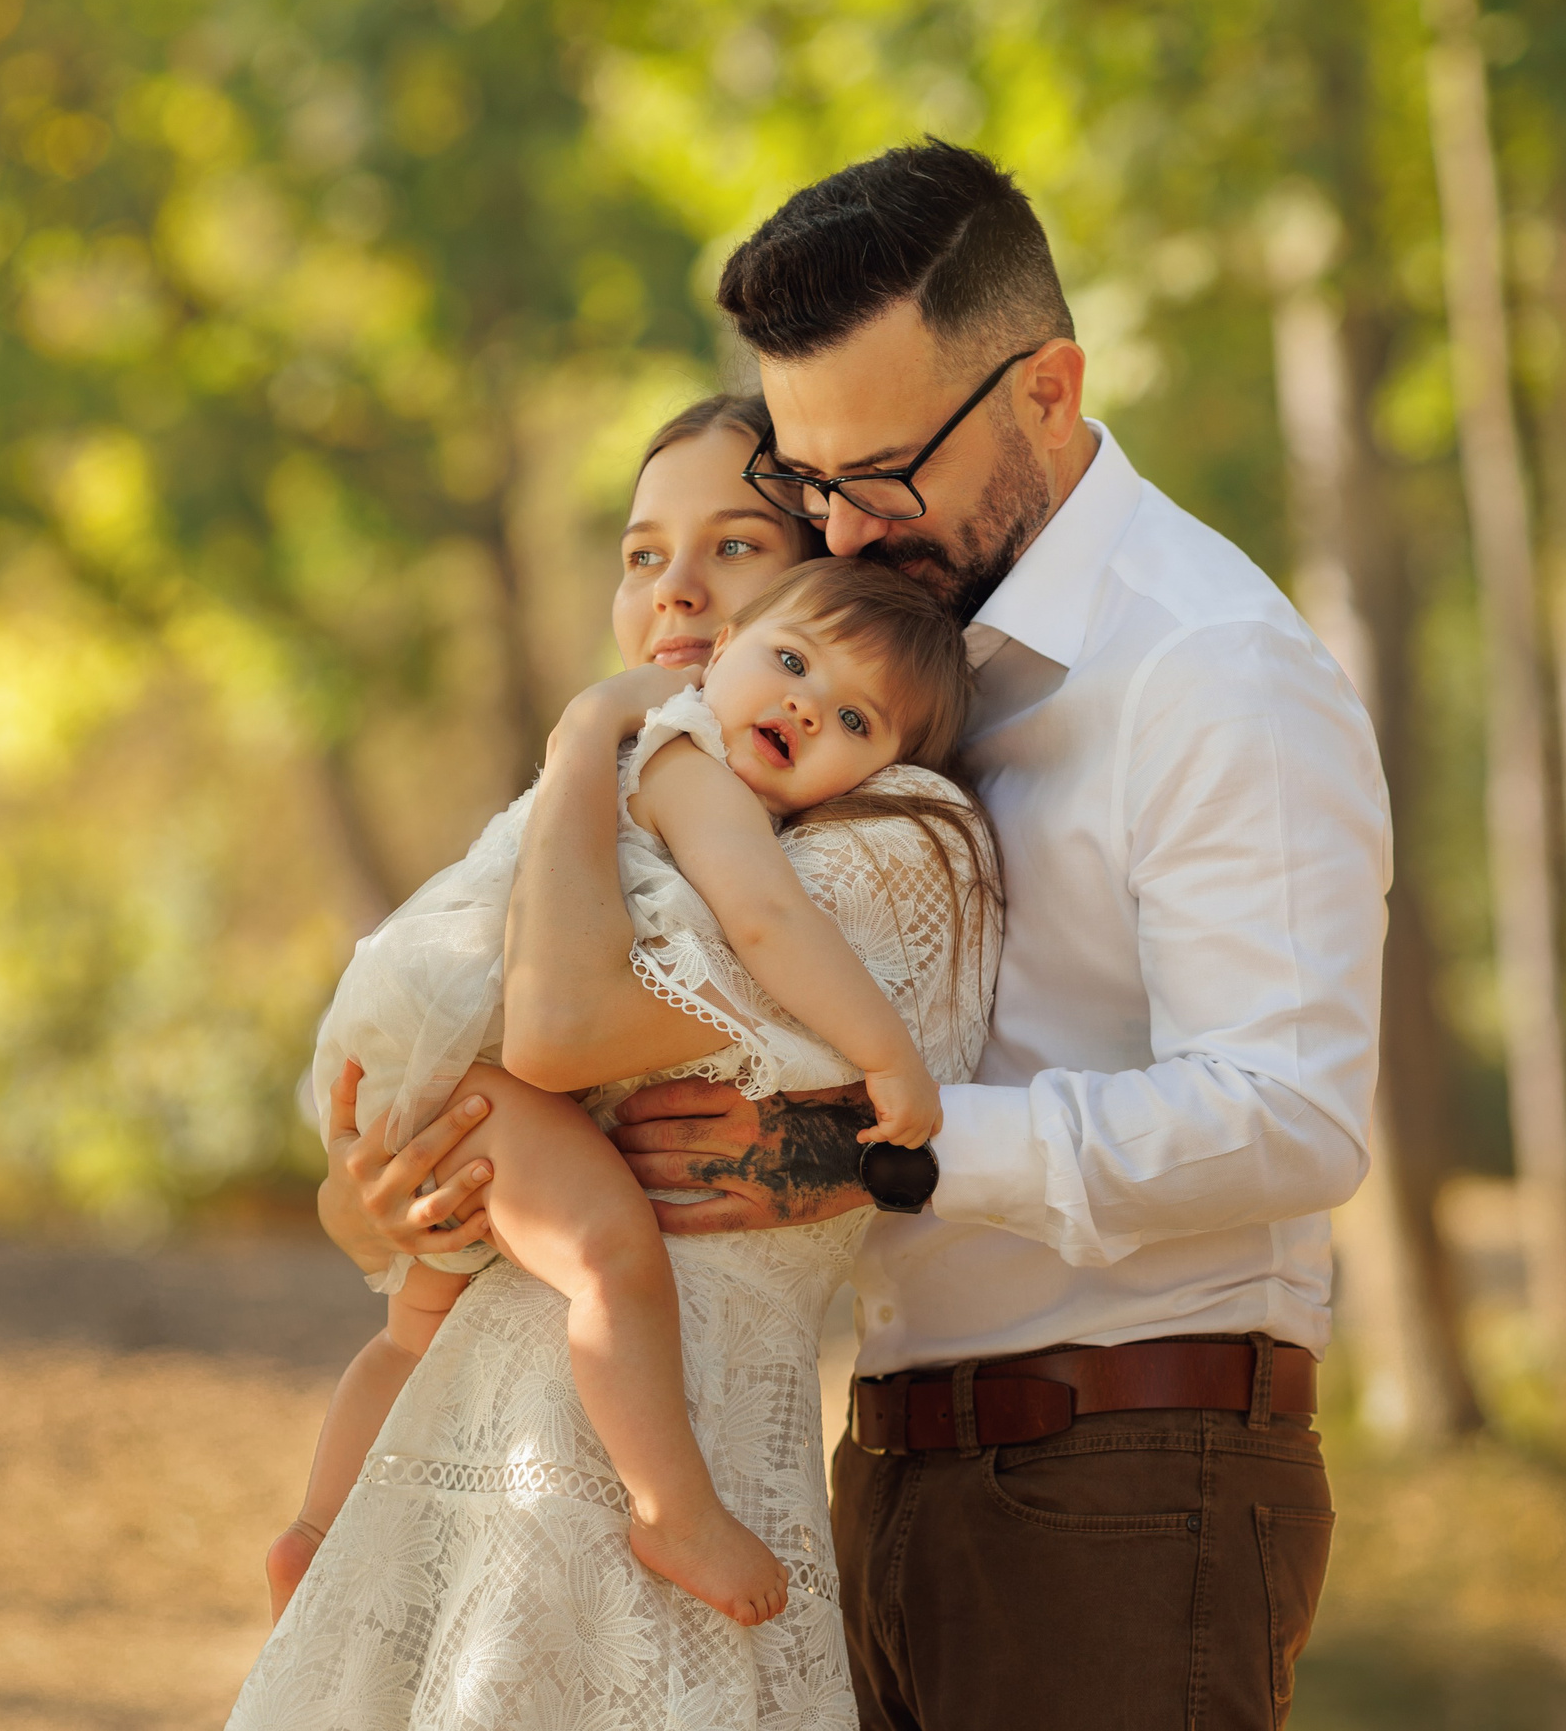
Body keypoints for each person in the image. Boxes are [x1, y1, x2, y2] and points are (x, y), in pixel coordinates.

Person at [325, 142, 1391, 1729]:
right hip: (883, 1460)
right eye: (812, 482)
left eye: (882, 468)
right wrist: (415, 1190)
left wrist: (882, 1153)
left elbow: (1291, 1116)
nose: (846, 522)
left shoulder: (1210, 670)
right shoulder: (874, 670)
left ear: (1049, 387)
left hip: (1125, 1476)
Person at [229, 401, 1002, 1728]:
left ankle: (319, 1518)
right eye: (643, 554)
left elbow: (573, 1022)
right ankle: (661, 1505)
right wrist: (591, 736)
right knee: (589, 1249)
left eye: (736, 544)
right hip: (524, 1473)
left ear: (832, 569)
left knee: (418, 1319)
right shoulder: (680, 763)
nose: (679, 589)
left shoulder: (884, 834)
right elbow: (543, 1040)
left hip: (536, 1477)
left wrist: (588, 742)